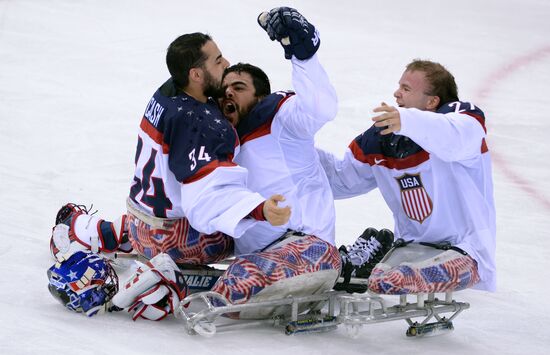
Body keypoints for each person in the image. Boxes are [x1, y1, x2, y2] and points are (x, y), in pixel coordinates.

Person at [49, 32, 292, 320]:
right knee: (240, 235)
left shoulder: (166, 93)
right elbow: (207, 197)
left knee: (164, 206)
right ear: (196, 74)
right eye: (217, 61)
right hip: (173, 241)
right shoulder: (206, 125)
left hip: (141, 221)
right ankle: (164, 277)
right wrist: (259, 210)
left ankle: (96, 232)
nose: (225, 64)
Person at [317, 59, 496, 294]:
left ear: (432, 101)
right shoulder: (383, 136)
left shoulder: (461, 120)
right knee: (382, 282)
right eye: (399, 86)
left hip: (465, 249)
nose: (396, 93)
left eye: (406, 89)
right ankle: (373, 257)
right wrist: (295, 152)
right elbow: (343, 179)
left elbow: (454, 136)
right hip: (412, 248)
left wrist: (408, 121)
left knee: (388, 282)